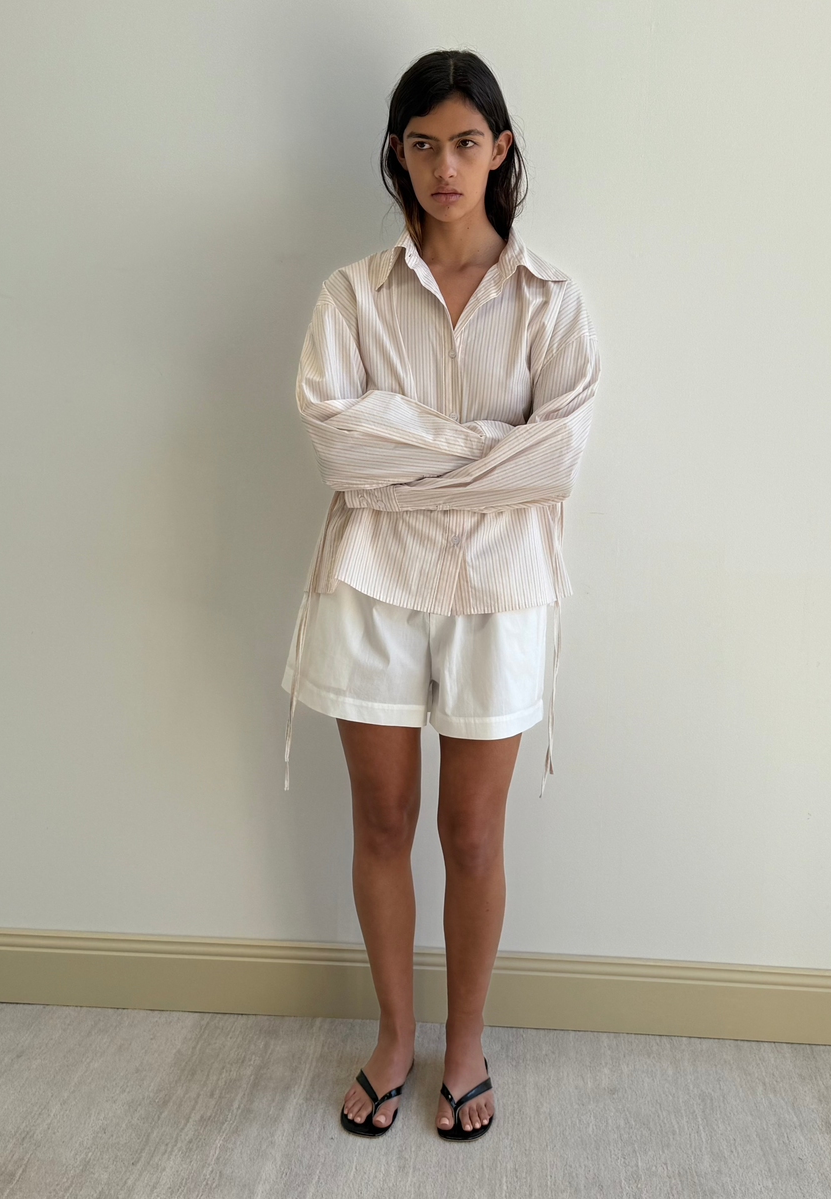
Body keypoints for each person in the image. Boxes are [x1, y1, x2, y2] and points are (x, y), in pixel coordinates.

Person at [279, 48, 600, 1141]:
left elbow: (554, 462)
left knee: (470, 832)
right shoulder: (351, 296)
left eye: (465, 142)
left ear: (499, 149)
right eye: (423, 145)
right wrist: (486, 452)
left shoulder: (552, 300)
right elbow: (337, 444)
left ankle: (464, 1045)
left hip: (501, 591)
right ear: (397, 154)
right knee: (381, 818)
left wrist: (405, 446)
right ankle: (391, 1036)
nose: (444, 167)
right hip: (368, 583)